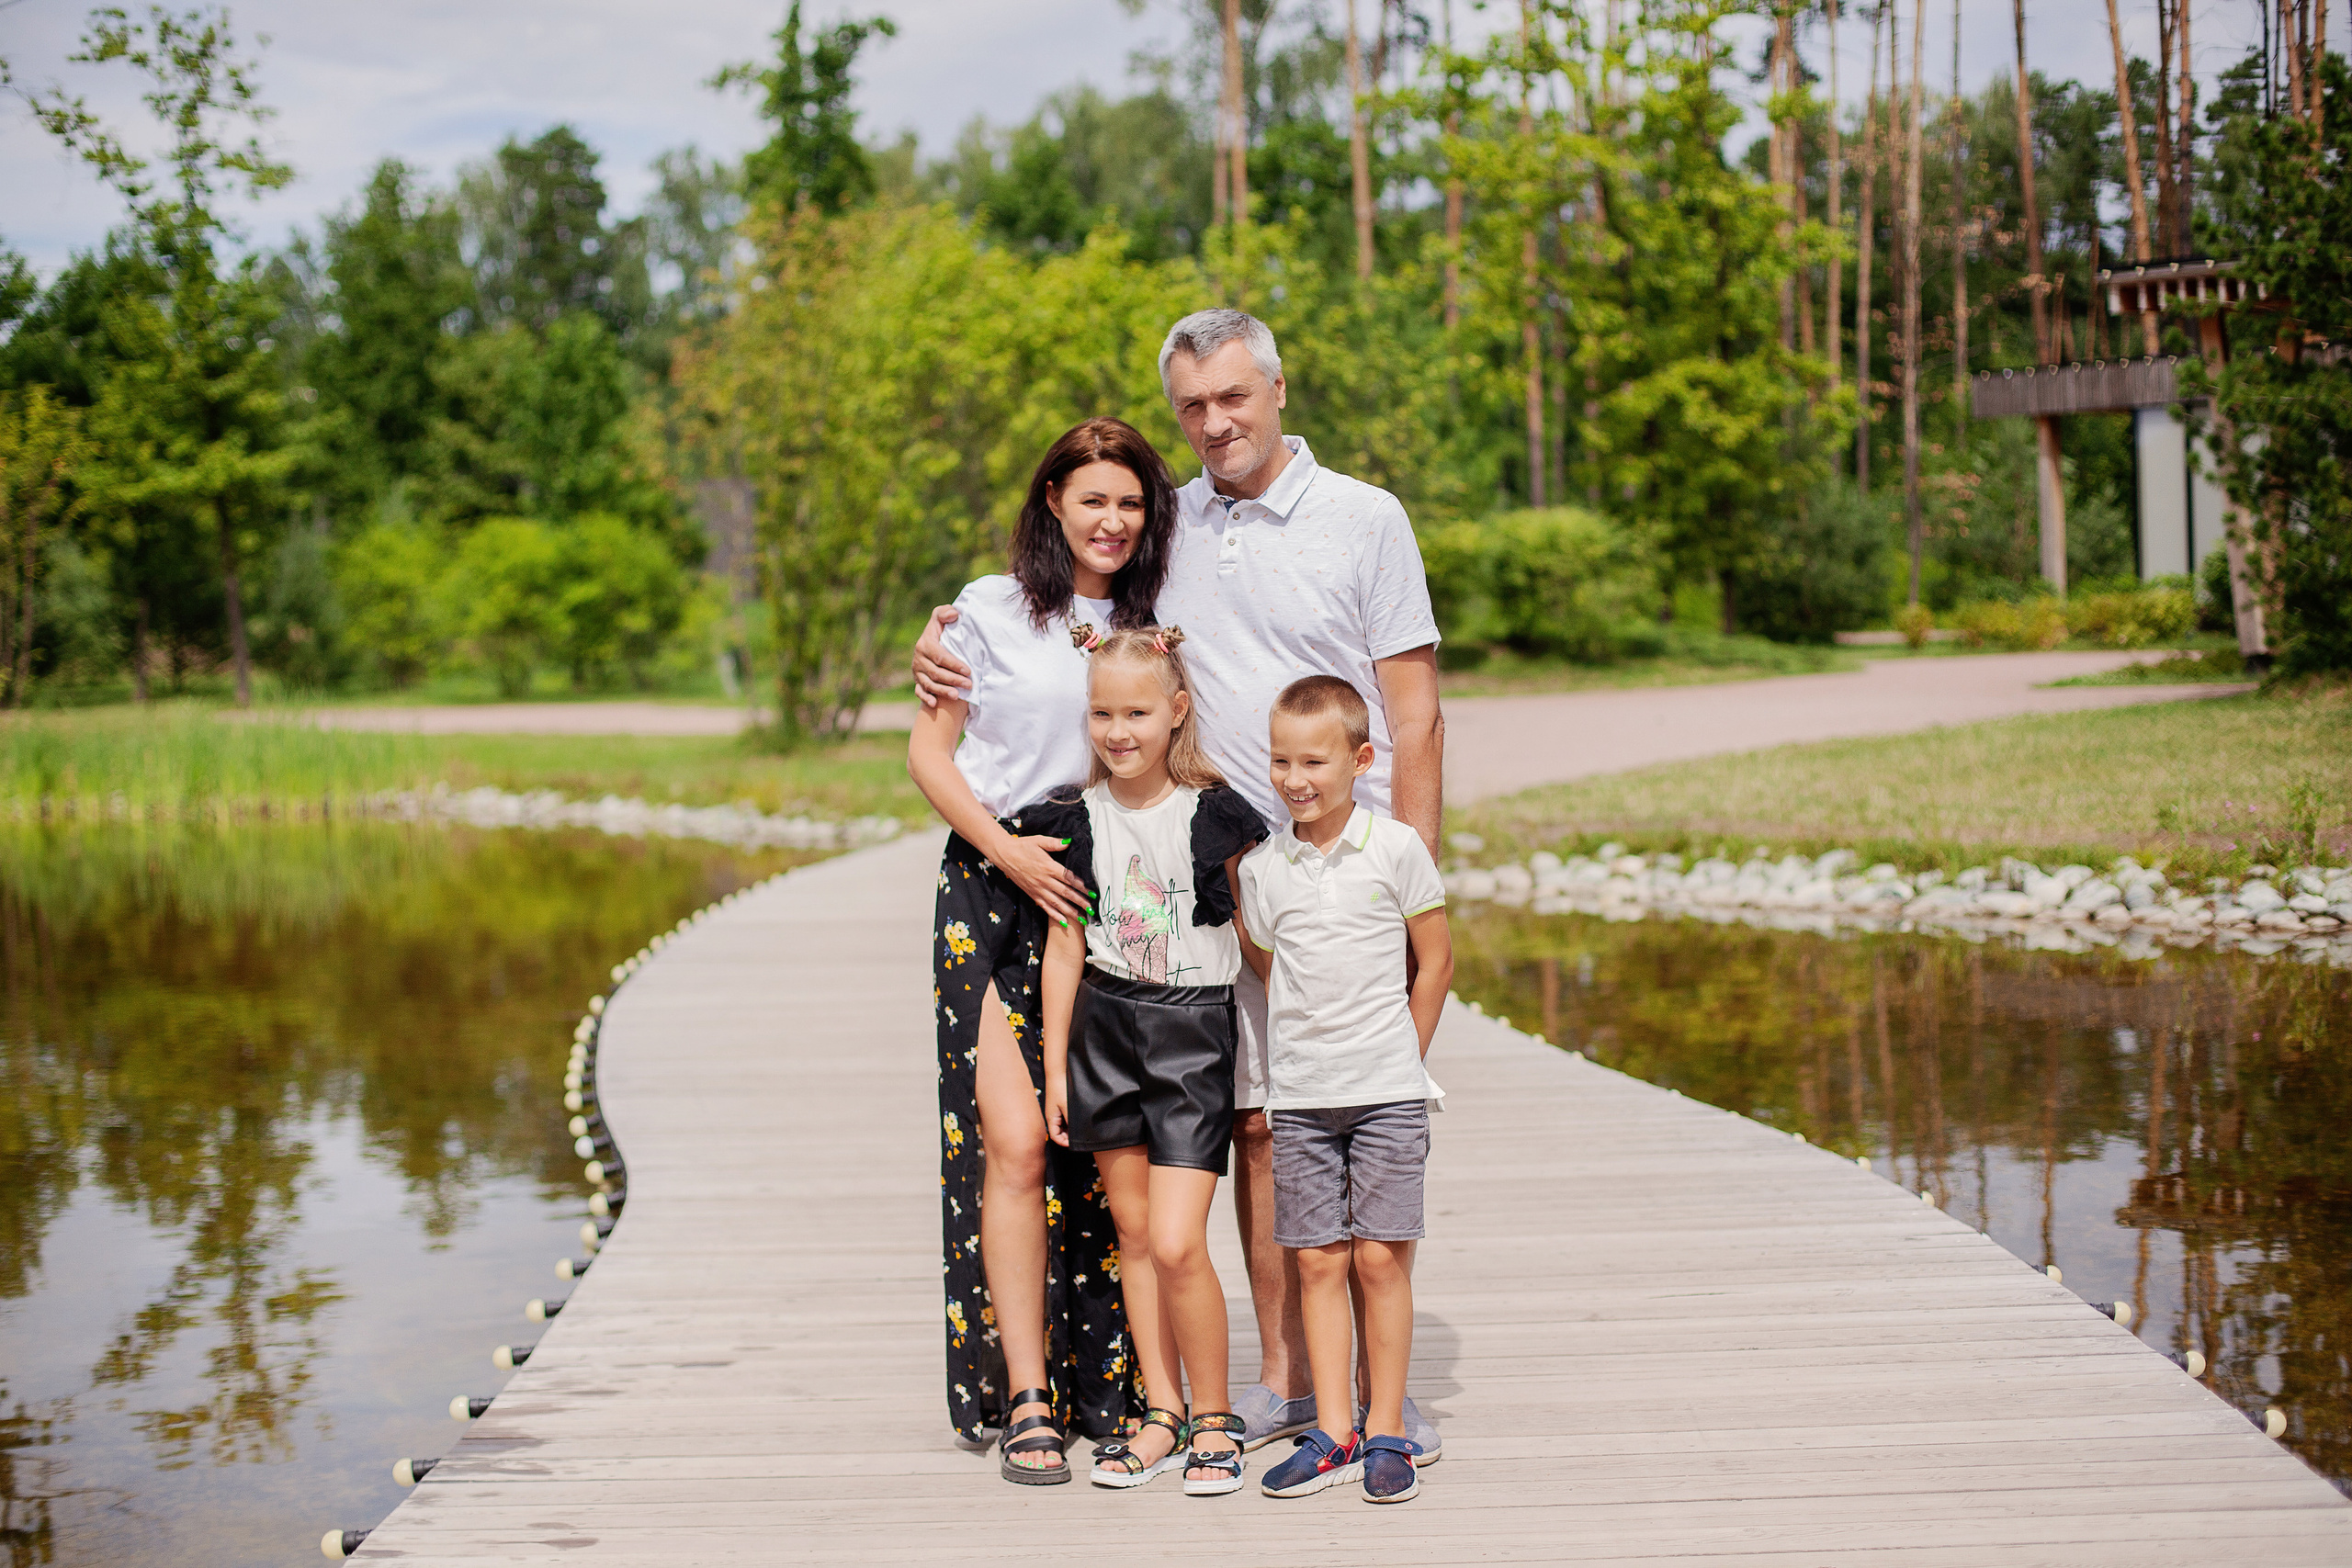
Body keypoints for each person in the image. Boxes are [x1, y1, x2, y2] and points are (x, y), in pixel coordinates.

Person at [914, 308, 1446, 1460]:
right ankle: (1280, 1383)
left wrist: (1411, 887)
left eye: (1233, 397)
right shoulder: (1171, 531)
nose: (1215, 423)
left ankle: (1369, 1402)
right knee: (1247, 1127)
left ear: (1278, 389)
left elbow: (1414, 717)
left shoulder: (1364, 518)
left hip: (1320, 880)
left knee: (1332, 1116)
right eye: (1192, 406)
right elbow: (1036, 644)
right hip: (1155, 887)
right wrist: (939, 642)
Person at [905, 417, 1180, 1483]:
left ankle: (1119, 1387)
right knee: (1016, 1144)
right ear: (1052, 501)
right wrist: (1007, 854)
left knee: (1102, 1144)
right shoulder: (984, 610)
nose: (1112, 520)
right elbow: (930, 757)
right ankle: (1026, 1393)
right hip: (991, 882)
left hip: (1109, 888)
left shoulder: (1160, 618)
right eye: (1092, 498)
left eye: (1131, 502)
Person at [1026, 626, 1266, 1495]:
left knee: (1175, 1238)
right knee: (1133, 1233)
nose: (1117, 731)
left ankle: (1216, 1416)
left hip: (1191, 1034)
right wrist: (1057, 1068)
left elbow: (1256, 934)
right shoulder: (1073, 820)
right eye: (1102, 713)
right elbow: (1064, 949)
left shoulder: (1214, 814)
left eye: (1136, 712)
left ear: (1176, 710)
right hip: (1104, 1029)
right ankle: (1162, 1410)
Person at [1239, 676, 1453, 1505]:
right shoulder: (1265, 867)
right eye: (1281, 761)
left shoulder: (1396, 848)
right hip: (1300, 1100)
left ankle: (1386, 1427)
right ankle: (1332, 1432)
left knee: (1379, 1259)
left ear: (1361, 760)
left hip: (1387, 1093)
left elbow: (1434, 961)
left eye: (1314, 761)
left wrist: (1405, 1054)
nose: (1295, 778)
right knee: (1319, 1262)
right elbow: (1270, 961)